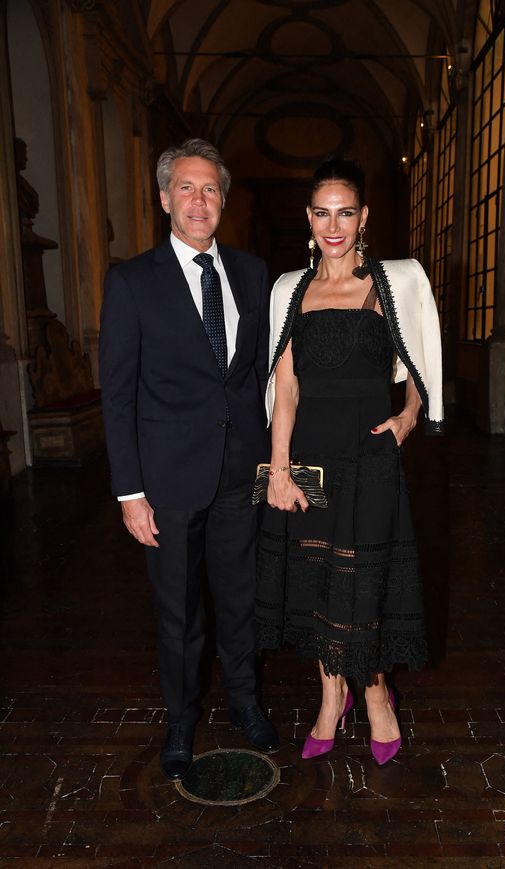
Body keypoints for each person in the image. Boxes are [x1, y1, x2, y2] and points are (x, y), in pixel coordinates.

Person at [99, 138, 279, 781]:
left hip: (241, 471)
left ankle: (246, 703)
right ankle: (180, 721)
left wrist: (274, 458)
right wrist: (130, 492)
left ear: (223, 200)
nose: (199, 201)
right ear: (163, 197)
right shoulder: (131, 281)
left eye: (210, 190)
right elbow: (117, 394)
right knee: (179, 610)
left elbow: (258, 373)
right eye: (186, 188)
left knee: (241, 599)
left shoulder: (253, 273)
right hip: (167, 481)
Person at [255, 156, 443, 766]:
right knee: (316, 586)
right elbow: (285, 388)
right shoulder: (292, 289)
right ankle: (329, 697)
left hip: (370, 458)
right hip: (310, 463)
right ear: (308, 218)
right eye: (321, 212)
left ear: (364, 218)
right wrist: (279, 470)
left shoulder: (395, 282)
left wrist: (409, 418)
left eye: (345, 212)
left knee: (364, 582)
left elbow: (422, 362)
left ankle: (375, 692)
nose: (332, 225)